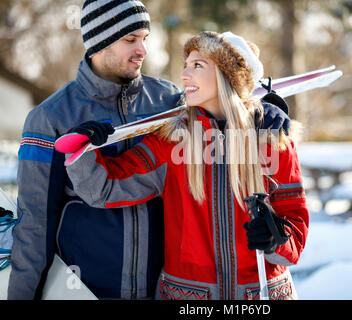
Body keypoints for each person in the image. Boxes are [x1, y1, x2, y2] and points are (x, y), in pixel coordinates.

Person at [7, 1, 290, 300]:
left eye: (145, 38)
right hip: (86, 288)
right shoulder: (51, 117)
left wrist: (264, 107)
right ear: (99, 42)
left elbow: (221, 101)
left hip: (165, 288)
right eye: (130, 40)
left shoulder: (168, 101)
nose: (142, 50)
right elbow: (34, 224)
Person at [65, 31, 309, 300]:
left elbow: (296, 227)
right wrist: (85, 150)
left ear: (226, 76)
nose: (184, 75)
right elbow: (105, 188)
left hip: (262, 295)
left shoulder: (272, 141)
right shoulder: (172, 141)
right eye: (186, 65)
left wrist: (276, 237)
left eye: (197, 66)